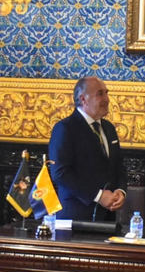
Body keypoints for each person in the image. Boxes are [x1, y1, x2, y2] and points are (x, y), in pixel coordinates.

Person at [42, 76, 126, 222]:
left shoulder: (109, 128)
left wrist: (120, 191)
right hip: (76, 218)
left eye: (107, 93)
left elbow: (118, 165)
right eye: (100, 94)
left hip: (108, 217)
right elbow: (60, 173)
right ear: (83, 99)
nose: (107, 99)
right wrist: (98, 196)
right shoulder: (65, 128)